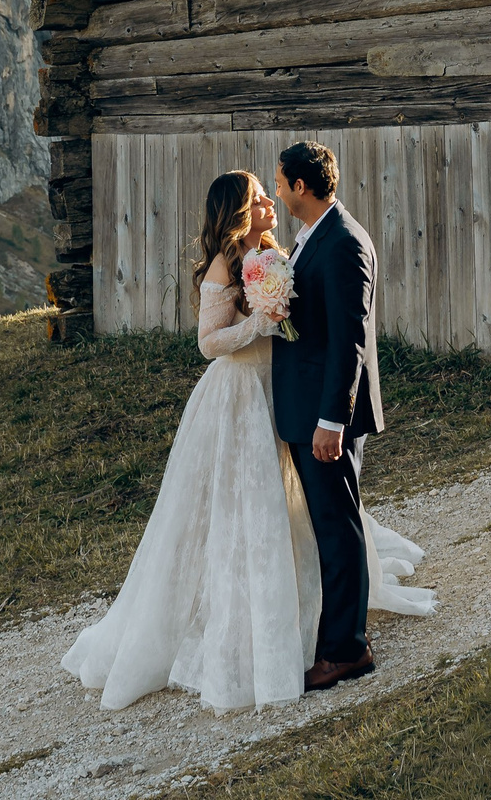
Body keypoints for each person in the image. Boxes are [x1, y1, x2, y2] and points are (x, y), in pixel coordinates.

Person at [58, 167, 429, 714]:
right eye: (259, 198)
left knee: (292, 508)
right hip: (238, 396)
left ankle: (313, 617)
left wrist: (282, 319)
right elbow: (209, 343)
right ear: (238, 210)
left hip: (278, 392)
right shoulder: (222, 265)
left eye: (270, 192)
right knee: (243, 511)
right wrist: (259, 324)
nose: (270, 203)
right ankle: (243, 628)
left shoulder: (275, 252)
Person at [270, 139, 401, 692]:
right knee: (332, 525)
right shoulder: (312, 237)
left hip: (325, 418)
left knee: (338, 528)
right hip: (308, 409)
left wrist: (332, 421)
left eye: (280, 183)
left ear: (300, 186)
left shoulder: (344, 242)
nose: (276, 192)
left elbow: (350, 340)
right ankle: (340, 638)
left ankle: (347, 649)